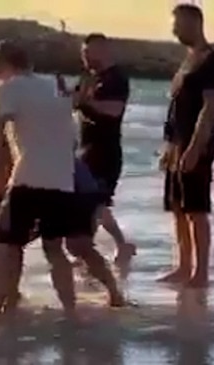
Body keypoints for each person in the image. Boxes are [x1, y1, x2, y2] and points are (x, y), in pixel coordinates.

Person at [0, 40, 87, 339]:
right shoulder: (54, 90)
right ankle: (71, 315)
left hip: (28, 180)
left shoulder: (9, 88)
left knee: (3, 249)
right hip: (62, 182)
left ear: (4, 65)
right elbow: (71, 140)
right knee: (54, 250)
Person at [0, 117, 127, 307]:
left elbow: (3, 184)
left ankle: (108, 295)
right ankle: (17, 296)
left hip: (75, 188)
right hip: (68, 185)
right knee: (26, 244)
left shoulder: (6, 146)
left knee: (72, 245)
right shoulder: (21, 137)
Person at [158, 4, 214, 288]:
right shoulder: (188, 59)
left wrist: (195, 147)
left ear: (193, 23)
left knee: (195, 208)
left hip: (196, 142)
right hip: (177, 142)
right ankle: (183, 266)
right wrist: (169, 146)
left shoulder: (212, 60)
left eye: (178, 24)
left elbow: (211, 107)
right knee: (176, 206)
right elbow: (176, 107)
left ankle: (201, 272)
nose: (174, 31)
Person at [57, 33, 136, 265]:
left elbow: (113, 110)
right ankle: (93, 249)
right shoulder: (89, 78)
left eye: (88, 53)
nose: (85, 58)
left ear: (103, 50)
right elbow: (73, 103)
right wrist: (63, 96)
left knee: (96, 203)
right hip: (86, 150)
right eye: (83, 54)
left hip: (106, 152)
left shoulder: (116, 79)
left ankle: (118, 245)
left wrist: (83, 101)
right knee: (92, 203)